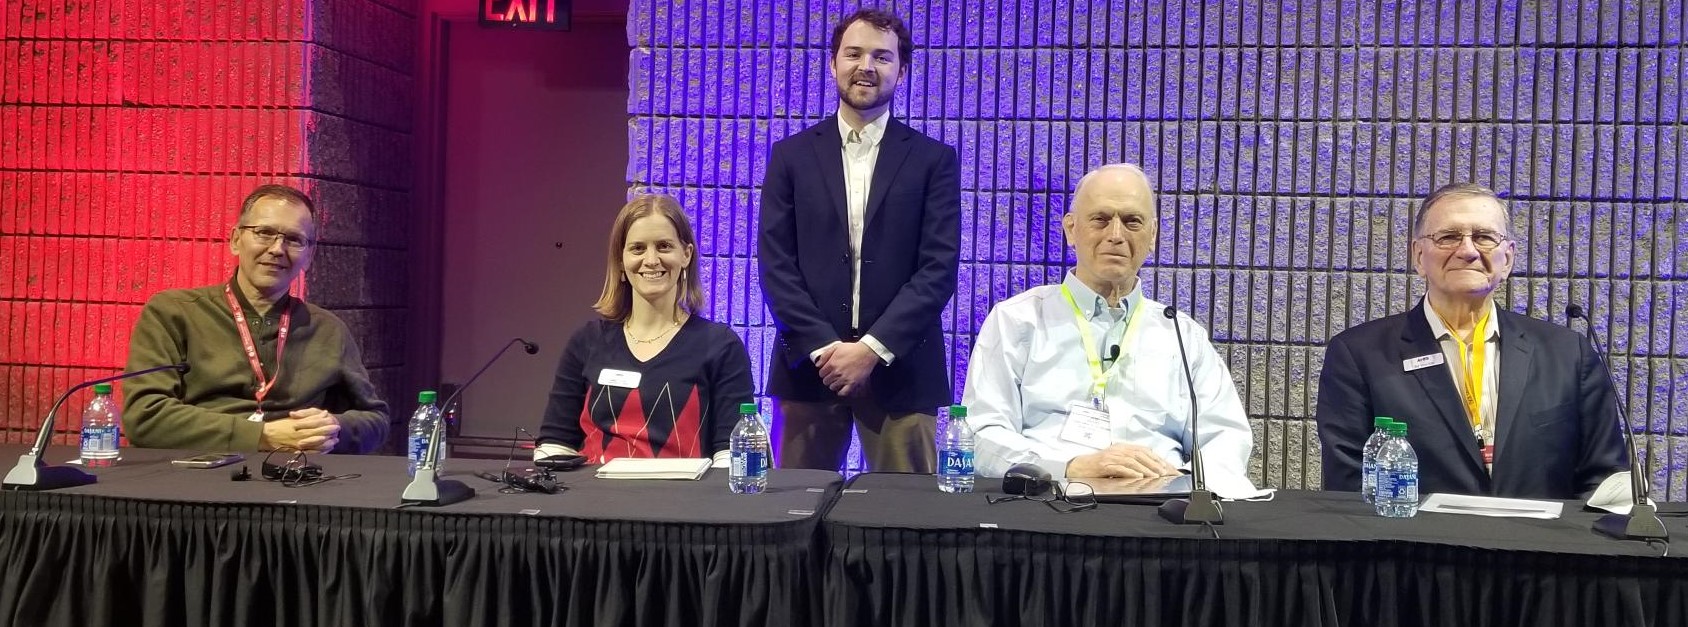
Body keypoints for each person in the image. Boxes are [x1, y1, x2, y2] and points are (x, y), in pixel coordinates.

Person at [1316, 183, 1627, 499]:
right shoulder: (1359, 355)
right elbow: (1350, 489)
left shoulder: (1567, 354)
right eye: (1448, 237)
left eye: (1484, 237)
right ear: (1419, 256)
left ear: (1507, 259)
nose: (1467, 250)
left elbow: (1603, 483)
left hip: (1536, 545)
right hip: (1417, 545)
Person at [758, 8, 961, 473]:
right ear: (833, 64)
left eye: (881, 57)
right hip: (809, 369)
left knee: (903, 529)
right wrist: (825, 348)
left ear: (901, 71)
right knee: (793, 518)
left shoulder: (933, 161)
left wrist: (871, 349)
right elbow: (775, 263)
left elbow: (938, 268)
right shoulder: (790, 156)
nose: (866, 66)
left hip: (903, 370)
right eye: (853, 53)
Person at [961, 164, 1254, 482]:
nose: (1116, 235)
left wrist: (1179, 479)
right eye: (1100, 219)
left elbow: (1228, 439)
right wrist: (1067, 468)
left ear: (1152, 234)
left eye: (1132, 222)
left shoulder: (1183, 336)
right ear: (1071, 230)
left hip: (1157, 508)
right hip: (1048, 502)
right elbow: (982, 434)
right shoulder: (1017, 320)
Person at [123, 184, 389, 453]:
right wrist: (262, 436)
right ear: (235, 240)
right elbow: (145, 417)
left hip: (299, 475)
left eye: (294, 240)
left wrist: (333, 428)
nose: (277, 249)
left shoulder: (328, 329)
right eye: (264, 233)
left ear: (309, 256)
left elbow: (375, 420)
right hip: (197, 473)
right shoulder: (174, 312)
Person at [534, 194, 754, 465]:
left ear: (686, 255)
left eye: (663, 246)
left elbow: (730, 454)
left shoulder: (720, 345)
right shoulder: (587, 342)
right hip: (593, 502)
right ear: (621, 260)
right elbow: (556, 443)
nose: (651, 260)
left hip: (684, 503)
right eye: (638, 248)